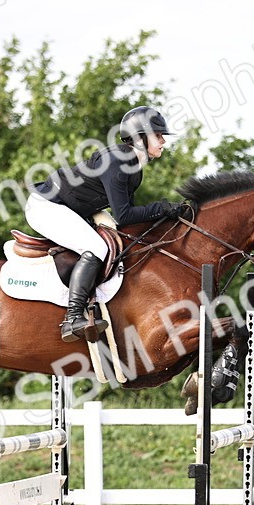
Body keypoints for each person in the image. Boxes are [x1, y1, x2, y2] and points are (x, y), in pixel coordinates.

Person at [26, 106, 185, 342]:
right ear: (141, 137)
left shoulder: (135, 168)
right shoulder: (118, 161)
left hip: (70, 208)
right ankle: (72, 318)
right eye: (158, 135)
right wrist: (163, 208)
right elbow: (124, 215)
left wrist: (166, 214)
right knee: (97, 247)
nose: (163, 141)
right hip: (46, 206)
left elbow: (128, 219)